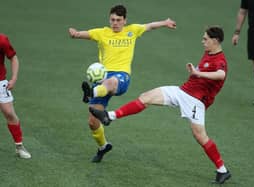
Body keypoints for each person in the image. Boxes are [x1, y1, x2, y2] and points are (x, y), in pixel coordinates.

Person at [90, 26, 231, 184]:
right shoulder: (208, 52)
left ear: (216, 41)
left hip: (195, 101)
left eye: (205, 39)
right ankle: (109, 116)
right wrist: (195, 72)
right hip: (182, 91)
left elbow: (221, 75)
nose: (202, 41)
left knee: (200, 136)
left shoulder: (220, 60)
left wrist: (198, 73)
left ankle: (222, 170)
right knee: (146, 97)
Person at [68, 5, 176, 162]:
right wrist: (75, 34)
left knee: (111, 82)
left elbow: (150, 26)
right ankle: (103, 146)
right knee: (93, 121)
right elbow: (85, 34)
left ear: (125, 20)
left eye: (118, 20)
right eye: (112, 20)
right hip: (103, 79)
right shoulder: (102, 32)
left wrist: (165, 22)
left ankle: (92, 92)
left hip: (121, 77)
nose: (115, 23)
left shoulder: (132, 30)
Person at [0, 33, 31, 159]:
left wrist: (13, 78)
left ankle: (19, 146)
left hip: (0, 82)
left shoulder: (2, 40)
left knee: (9, 113)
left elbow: (13, 58)